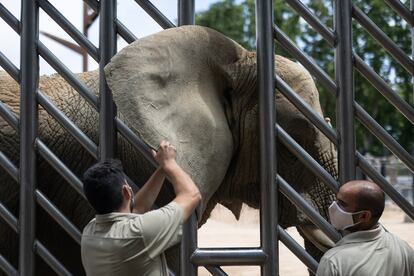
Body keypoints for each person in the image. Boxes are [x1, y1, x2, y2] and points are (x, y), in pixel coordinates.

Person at [81, 140, 202, 276]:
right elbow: (192, 195)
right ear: (127, 191)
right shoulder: (140, 233)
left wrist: (162, 169)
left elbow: (136, 209)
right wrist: (170, 163)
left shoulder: (89, 232)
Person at [316, 180, 414, 276]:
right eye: (336, 201)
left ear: (364, 216)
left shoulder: (333, 261)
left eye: (342, 204)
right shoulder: (403, 249)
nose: (334, 206)